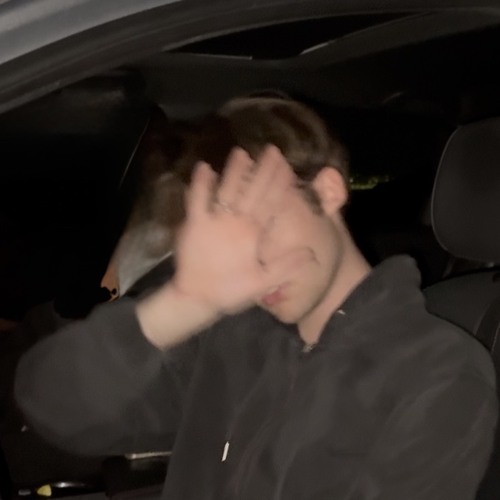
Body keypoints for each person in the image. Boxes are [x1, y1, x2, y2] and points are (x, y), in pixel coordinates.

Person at [15, 96, 498, 500]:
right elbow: (55, 410)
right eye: (231, 236)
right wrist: (185, 301)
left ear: (328, 190)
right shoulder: (230, 336)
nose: (252, 260)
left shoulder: (439, 374)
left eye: (263, 221)